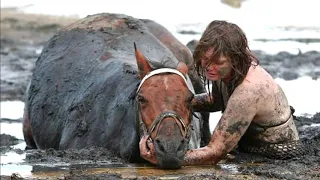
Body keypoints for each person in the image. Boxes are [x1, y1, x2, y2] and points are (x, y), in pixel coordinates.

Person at [139, 20, 303, 165]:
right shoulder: (226, 72)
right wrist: (176, 103)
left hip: (274, 153)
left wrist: (164, 156)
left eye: (218, 62)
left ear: (236, 59)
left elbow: (215, 152)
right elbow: (216, 101)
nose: (210, 67)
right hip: (247, 145)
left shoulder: (249, 91)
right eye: (206, 60)